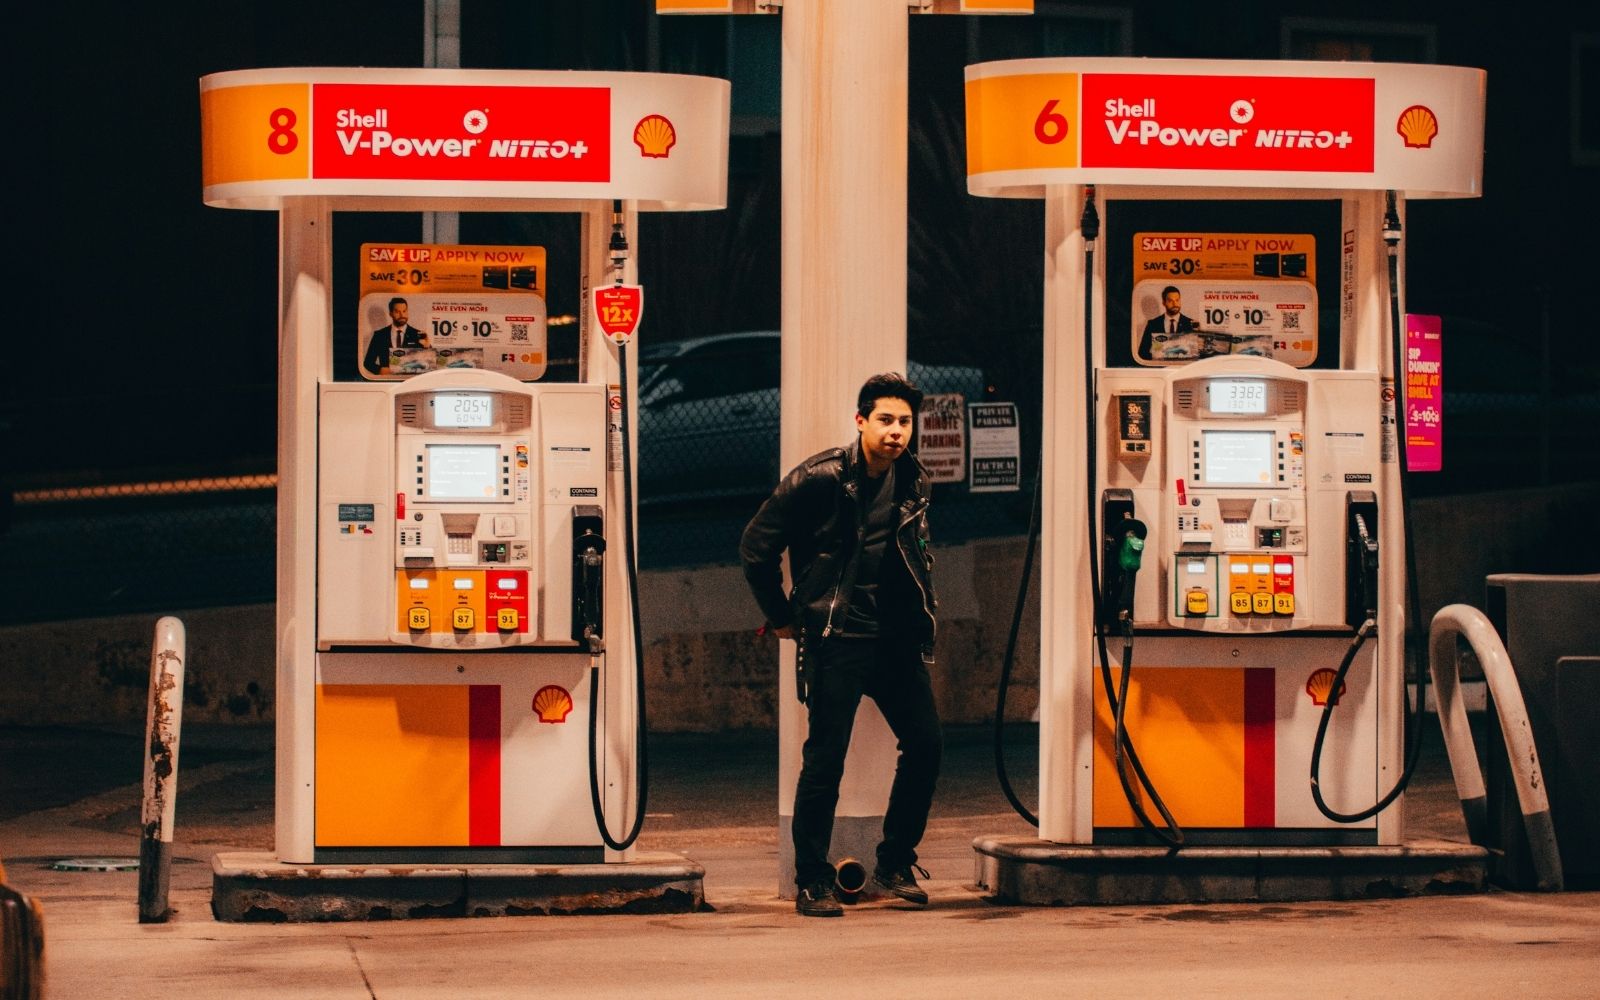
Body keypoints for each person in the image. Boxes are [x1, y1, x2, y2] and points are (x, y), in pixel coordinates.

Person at [739, 372, 944, 918]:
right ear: (861, 421)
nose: (896, 431)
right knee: (825, 759)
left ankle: (896, 863)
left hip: (894, 639)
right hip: (837, 636)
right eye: (885, 420)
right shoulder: (819, 477)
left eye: (904, 422)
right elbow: (755, 548)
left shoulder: (915, 478)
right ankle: (812, 879)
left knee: (926, 743)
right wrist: (782, 618)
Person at [363, 297, 429, 376]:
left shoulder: (418, 334)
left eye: (404, 311)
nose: (402, 315)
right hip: (387, 383)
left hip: (410, 384)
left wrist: (428, 347)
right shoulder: (379, 335)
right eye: (397, 312)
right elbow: (368, 363)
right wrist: (381, 370)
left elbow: (427, 365)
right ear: (391, 313)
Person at [1138, 285, 1198, 361]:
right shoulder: (1152, 324)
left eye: (1177, 300)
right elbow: (1142, 353)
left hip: (1182, 370)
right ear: (1164, 302)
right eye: (1170, 301)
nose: (1175, 304)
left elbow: (1195, 355)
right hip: (1159, 369)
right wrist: (1156, 354)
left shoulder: (1191, 323)